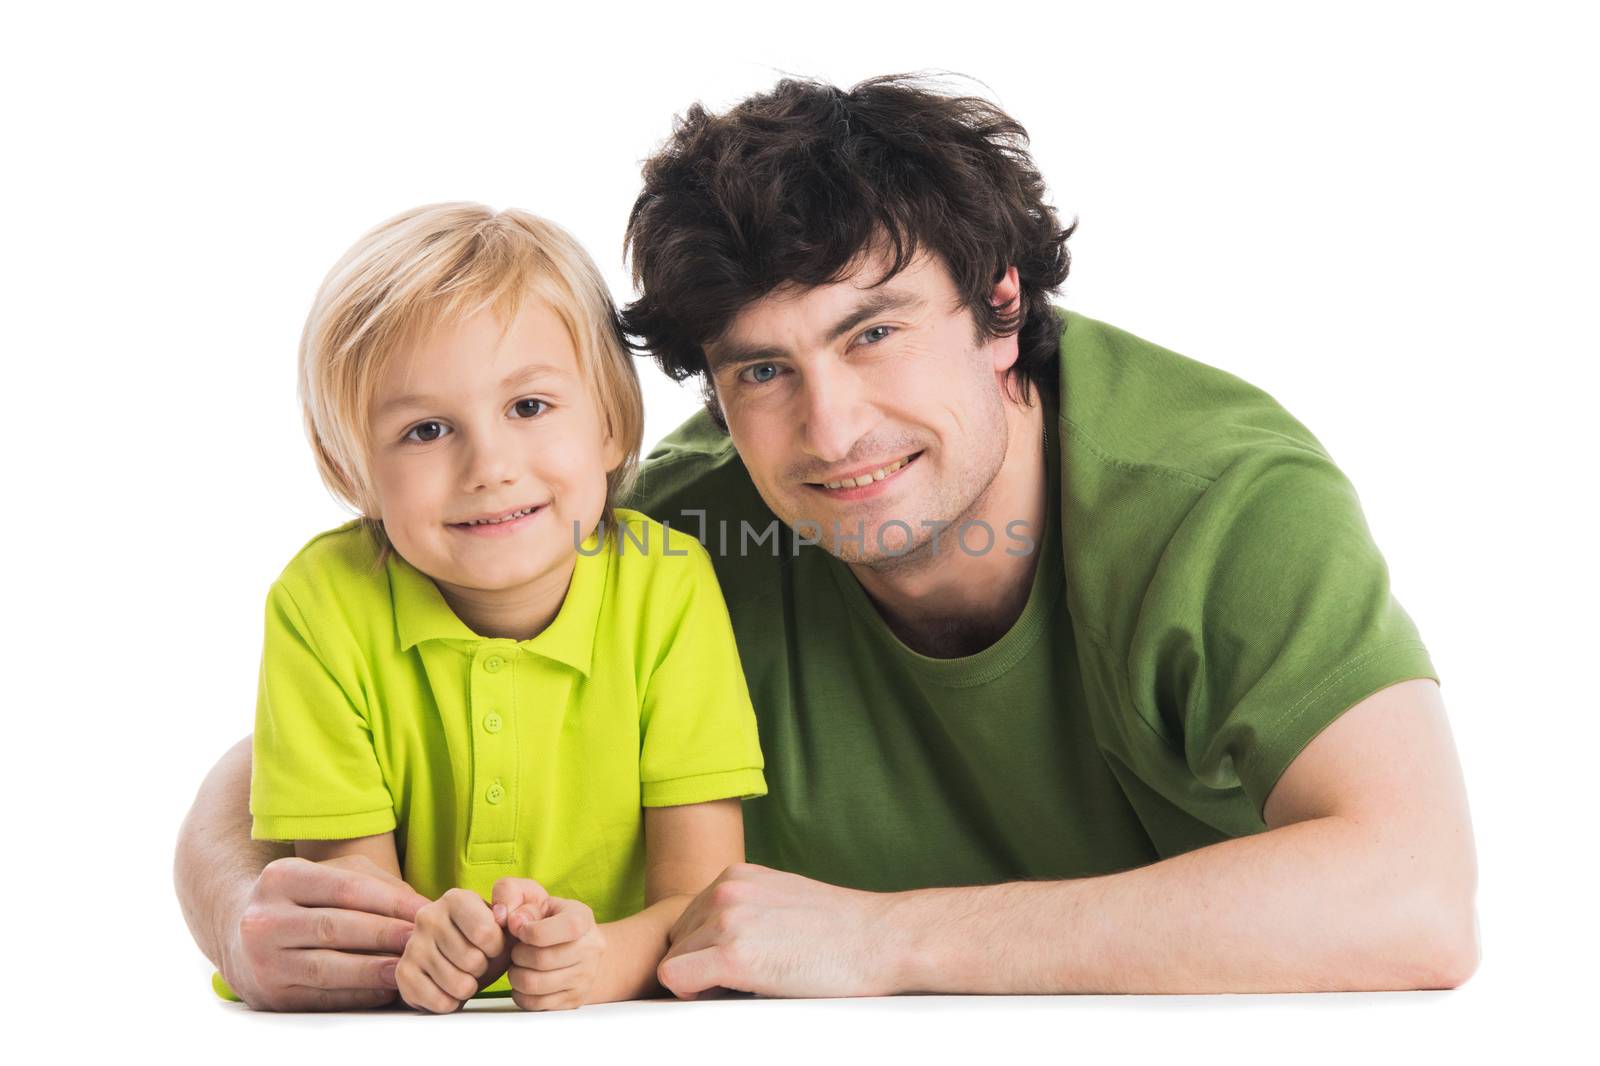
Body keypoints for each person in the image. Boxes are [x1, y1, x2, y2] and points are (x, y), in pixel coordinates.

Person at [176, 77, 1477, 1007]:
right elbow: (303, 735)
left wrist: (887, 940)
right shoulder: (692, 525)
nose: (831, 427)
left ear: (1001, 305)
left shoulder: (1212, 501)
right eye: (759, 370)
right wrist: (242, 901)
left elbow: (1415, 896)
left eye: (874, 331)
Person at [214, 203, 766, 1012]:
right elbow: (350, 892)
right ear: (349, 469)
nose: (490, 466)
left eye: (529, 407)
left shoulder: (668, 585)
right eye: (427, 429)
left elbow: (700, 899)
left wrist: (598, 962)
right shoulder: (321, 603)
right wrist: (421, 944)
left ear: (610, 424)